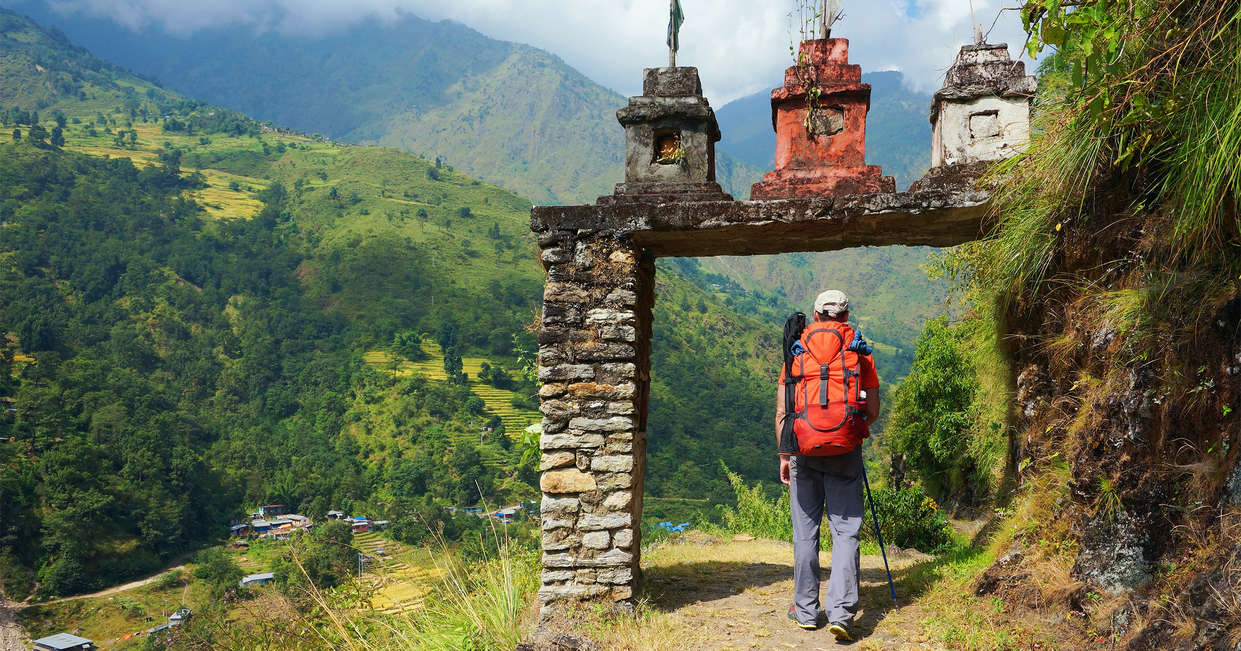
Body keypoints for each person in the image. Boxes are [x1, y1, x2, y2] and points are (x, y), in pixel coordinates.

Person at [775, 289, 880, 641]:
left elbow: (784, 409)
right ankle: (842, 614)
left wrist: (785, 455)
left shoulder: (797, 349)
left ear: (816, 315)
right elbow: (874, 411)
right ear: (845, 317)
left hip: (803, 449)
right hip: (845, 451)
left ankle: (806, 611)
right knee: (845, 532)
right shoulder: (858, 351)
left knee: (806, 532)